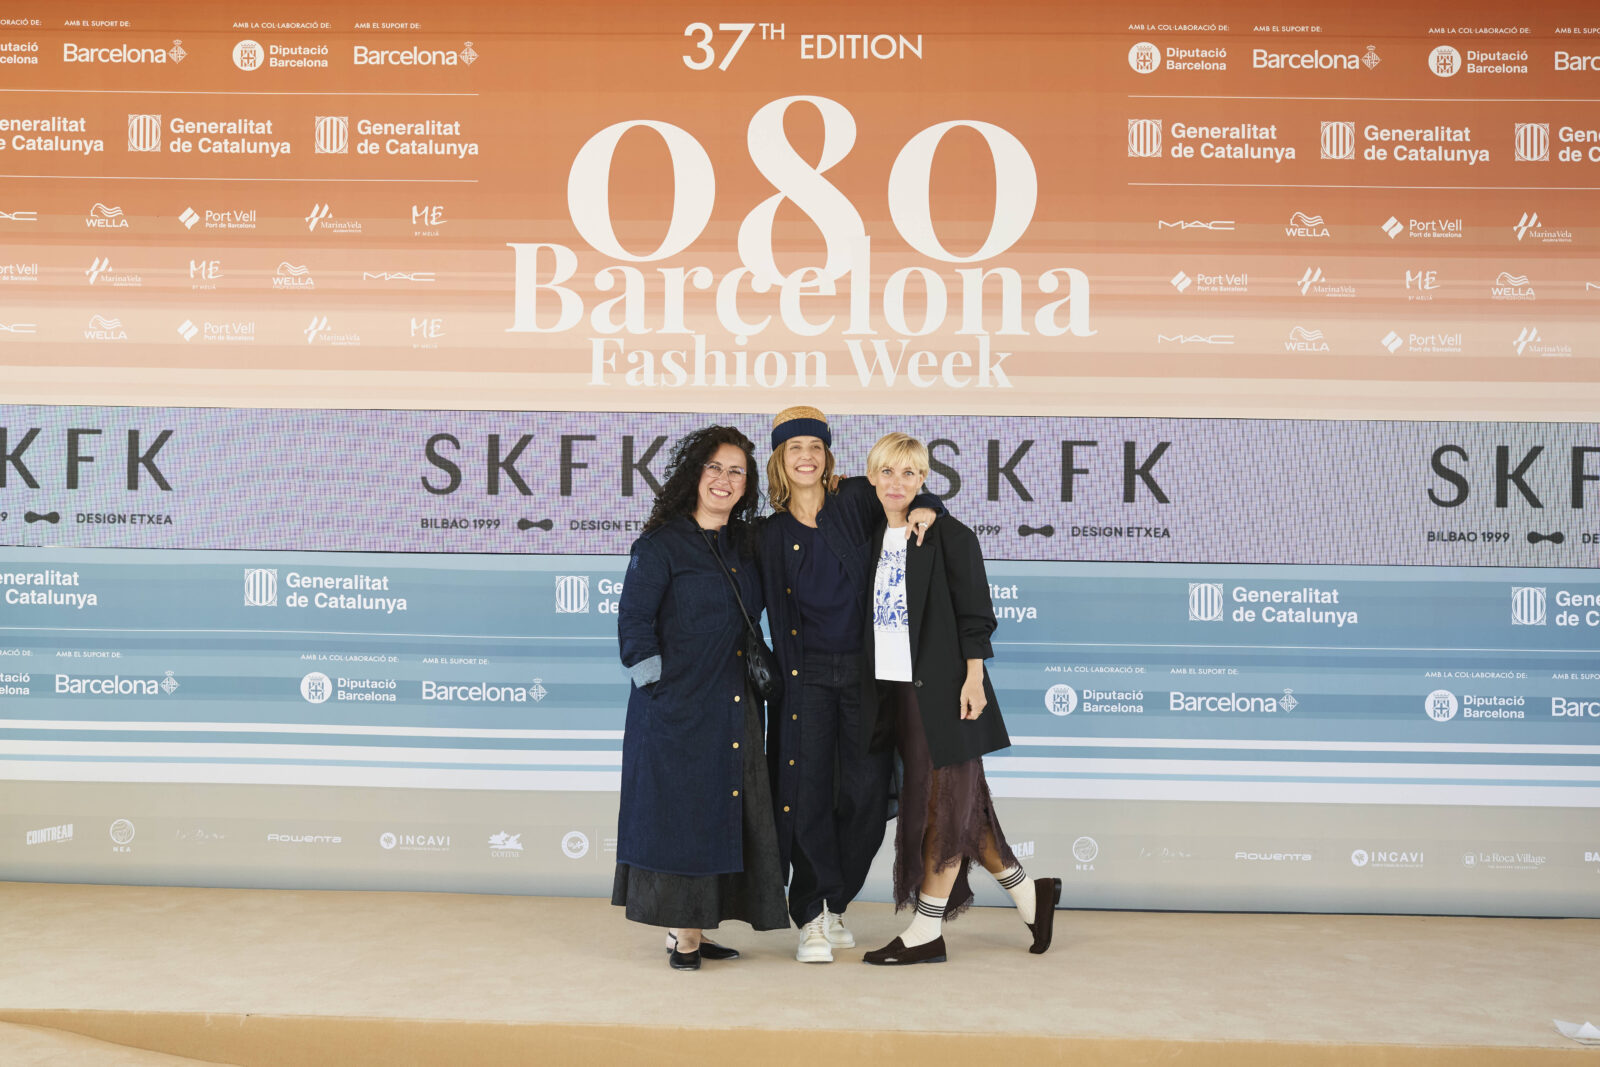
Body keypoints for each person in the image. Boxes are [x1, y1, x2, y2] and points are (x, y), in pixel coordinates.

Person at [855, 432, 1061, 965]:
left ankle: (927, 931)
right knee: (963, 805)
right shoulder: (868, 532)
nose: (896, 483)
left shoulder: (948, 535)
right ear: (871, 476)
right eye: (886, 472)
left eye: (909, 474)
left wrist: (974, 679)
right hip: (893, 694)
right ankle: (1030, 892)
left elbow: (976, 614)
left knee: (944, 805)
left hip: (946, 692)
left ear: (924, 479)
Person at [760, 406, 941, 964]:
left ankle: (835, 902)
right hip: (805, 680)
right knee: (807, 796)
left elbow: (907, 491)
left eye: (815, 447)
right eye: (795, 448)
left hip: (867, 677)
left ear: (828, 455)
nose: (806, 457)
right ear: (779, 460)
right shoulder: (766, 534)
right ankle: (811, 914)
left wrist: (930, 508)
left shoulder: (858, 499)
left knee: (865, 796)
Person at [614, 425, 789, 970]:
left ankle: (699, 922)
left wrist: (922, 505)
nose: (724, 479)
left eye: (736, 471)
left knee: (724, 814)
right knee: (684, 818)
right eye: (714, 467)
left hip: (735, 705)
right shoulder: (661, 544)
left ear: (747, 484)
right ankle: (684, 931)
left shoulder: (748, 543)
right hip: (677, 709)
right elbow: (634, 622)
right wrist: (660, 689)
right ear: (694, 474)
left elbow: (817, 516)